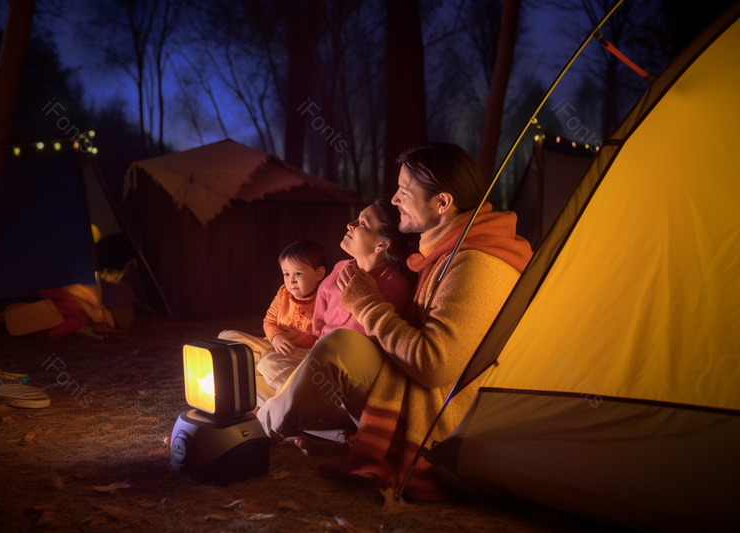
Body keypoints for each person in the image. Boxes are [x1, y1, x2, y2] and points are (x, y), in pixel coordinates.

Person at [257, 143, 533, 500]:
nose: (395, 199)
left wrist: (366, 302)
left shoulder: (477, 266)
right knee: (260, 363)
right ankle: (293, 417)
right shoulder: (447, 253)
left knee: (341, 348)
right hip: (398, 385)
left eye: (404, 191)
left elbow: (434, 365)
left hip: (435, 416)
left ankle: (254, 428)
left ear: (442, 203)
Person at [219, 241, 326, 390]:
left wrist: (295, 338)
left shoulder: (325, 297)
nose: (291, 280)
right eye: (286, 274)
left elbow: (327, 336)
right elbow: (269, 321)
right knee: (227, 338)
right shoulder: (283, 293)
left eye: (298, 273)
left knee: (268, 364)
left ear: (318, 274)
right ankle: (261, 375)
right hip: (274, 345)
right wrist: (276, 337)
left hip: (302, 354)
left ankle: (302, 393)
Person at [313, 198, 415, 344]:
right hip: (320, 348)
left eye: (362, 223)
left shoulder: (397, 286)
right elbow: (319, 319)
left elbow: (388, 339)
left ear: (381, 244)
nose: (350, 225)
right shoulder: (339, 268)